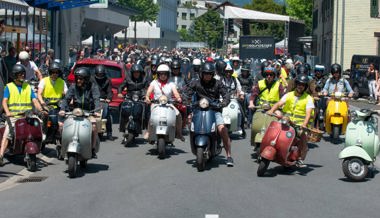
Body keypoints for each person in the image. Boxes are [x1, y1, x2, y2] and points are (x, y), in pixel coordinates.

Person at [184, 62, 234, 166]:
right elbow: (186, 91)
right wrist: (185, 99)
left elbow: (226, 94)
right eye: (205, 73)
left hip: (214, 110)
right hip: (198, 110)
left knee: (222, 129)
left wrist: (224, 102)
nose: (207, 75)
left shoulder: (218, 83)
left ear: (212, 74)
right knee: (189, 123)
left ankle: (229, 155)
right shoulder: (196, 83)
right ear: (201, 73)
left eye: (210, 73)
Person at [0, 64, 44, 166]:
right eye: (20, 74)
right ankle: (1, 155)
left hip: (27, 116)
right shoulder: (9, 87)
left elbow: (34, 100)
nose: (23, 76)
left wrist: (41, 110)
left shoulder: (28, 87)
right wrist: (8, 112)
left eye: (23, 74)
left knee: (39, 125)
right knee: (8, 134)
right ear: (15, 75)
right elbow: (4, 102)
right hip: (14, 117)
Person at [266, 74, 314, 167]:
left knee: (302, 138)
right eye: (299, 84)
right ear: (296, 84)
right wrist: (271, 110)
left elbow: (308, 114)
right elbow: (279, 103)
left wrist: (304, 125)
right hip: (286, 120)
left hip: (299, 124)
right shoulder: (289, 94)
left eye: (303, 85)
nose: (300, 86)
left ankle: (300, 158)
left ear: (305, 87)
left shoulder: (308, 98)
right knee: (273, 128)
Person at [59, 68, 101, 158]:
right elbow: (66, 99)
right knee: (62, 126)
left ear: (86, 79)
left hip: (89, 112)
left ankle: (92, 149)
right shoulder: (73, 86)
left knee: (93, 127)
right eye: (77, 78)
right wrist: (62, 109)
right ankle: (62, 145)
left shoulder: (93, 87)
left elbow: (96, 99)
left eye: (81, 78)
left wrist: (97, 111)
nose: (78, 80)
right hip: (75, 112)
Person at [144, 64, 185, 141]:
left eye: (165, 74)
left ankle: (179, 133)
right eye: (161, 74)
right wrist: (147, 97)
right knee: (151, 116)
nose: (163, 76)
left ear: (168, 74)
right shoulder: (154, 82)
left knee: (178, 115)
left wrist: (178, 98)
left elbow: (175, 93)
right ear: (158, 74)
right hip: (156, 103)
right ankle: (148, 132)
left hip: (169, 104)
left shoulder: (171, 83)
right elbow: (149, 92)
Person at [117, 63, 149, 134]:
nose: (136, 74)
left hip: (141, 97)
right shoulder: (128, 78)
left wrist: (146, 96)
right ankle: (122, 123)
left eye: (138, 72)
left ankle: (147, 129)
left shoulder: (144, 79)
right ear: (132, 73)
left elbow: (147, 88)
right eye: (135, 72)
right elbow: (121, 86)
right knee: (121, 106)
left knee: (147, 109)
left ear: (140, 73)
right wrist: (119, 93)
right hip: (129, 97)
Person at [93, 65, 114, 140]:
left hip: (103, 100)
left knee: (107, 114)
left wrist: (109, 98)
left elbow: (109, 91)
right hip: (94, 100)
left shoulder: (107, 80)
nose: (100, 75)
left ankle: (109, 133)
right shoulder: (91, 80)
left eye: (101, 74)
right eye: (98, 74)